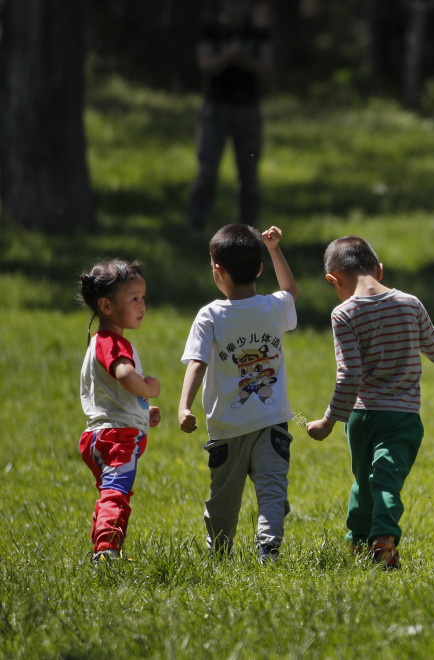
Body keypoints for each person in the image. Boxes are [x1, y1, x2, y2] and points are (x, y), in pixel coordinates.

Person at [306, 237, 434, 570]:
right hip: (402, 418)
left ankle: (360, 541)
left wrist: (328, 421)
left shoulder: (344, 313)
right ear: (379, 269)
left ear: (333, 279)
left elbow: (349, 375)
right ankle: (382, 542)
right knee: (385, 480)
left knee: (364, 482)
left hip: (361, 418)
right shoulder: (410, 303)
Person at [177, 223, 298, 562]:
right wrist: (275, 249)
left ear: (218, 270)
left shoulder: (210, 315)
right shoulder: (273, 307)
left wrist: (184, 406)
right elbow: (291, 292)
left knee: (223, 500)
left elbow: (197, 363)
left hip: (227, 427)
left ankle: (220, 552)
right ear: (259, 269)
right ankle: (268, 548)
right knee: (272, 492)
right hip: (272, 421)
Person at [77, 260, 162, 562]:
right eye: (134, 298)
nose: (142, 305)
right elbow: (125, 376)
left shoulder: (99, 343)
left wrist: (142, 411)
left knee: (110, 492)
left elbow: (111, 393)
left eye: (143, 297)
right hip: (118, 438)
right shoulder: (113, 343)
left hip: (100, 434)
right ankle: (107, 551)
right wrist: (149, 388)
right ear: (106, 305)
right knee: (117, 494)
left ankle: (103, 547)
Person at [186, 0, 273, 235]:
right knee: (207, 169)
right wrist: (230, 55)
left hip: (248, 110)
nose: (238, 5)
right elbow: (206, 65)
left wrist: (240, 56)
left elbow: (266, 66)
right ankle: (196, 224)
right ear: (223, 0)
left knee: (249, 174)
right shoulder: (212, 30)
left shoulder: (258, 32)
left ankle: (249, 230)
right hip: (216, 109)